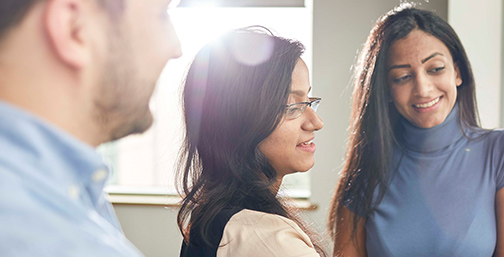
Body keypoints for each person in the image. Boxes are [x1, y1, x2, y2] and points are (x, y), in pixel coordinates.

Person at [329, 5, 504, 257]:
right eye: (402, 77)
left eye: (435, 69)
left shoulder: (503, 152)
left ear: (457, 72)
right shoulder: (364, 172)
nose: (423, 89)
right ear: (385, 89)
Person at [0, 0, 181, 255]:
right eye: (162, 15)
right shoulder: (67, 243)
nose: (176, 48)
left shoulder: (71, 188)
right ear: (74, 29)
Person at [176, 27, 327, 257]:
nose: (316, 122)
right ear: (241, 118)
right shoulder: (270, 240)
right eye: (293, 105)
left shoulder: (210, 217)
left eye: (308, 100)